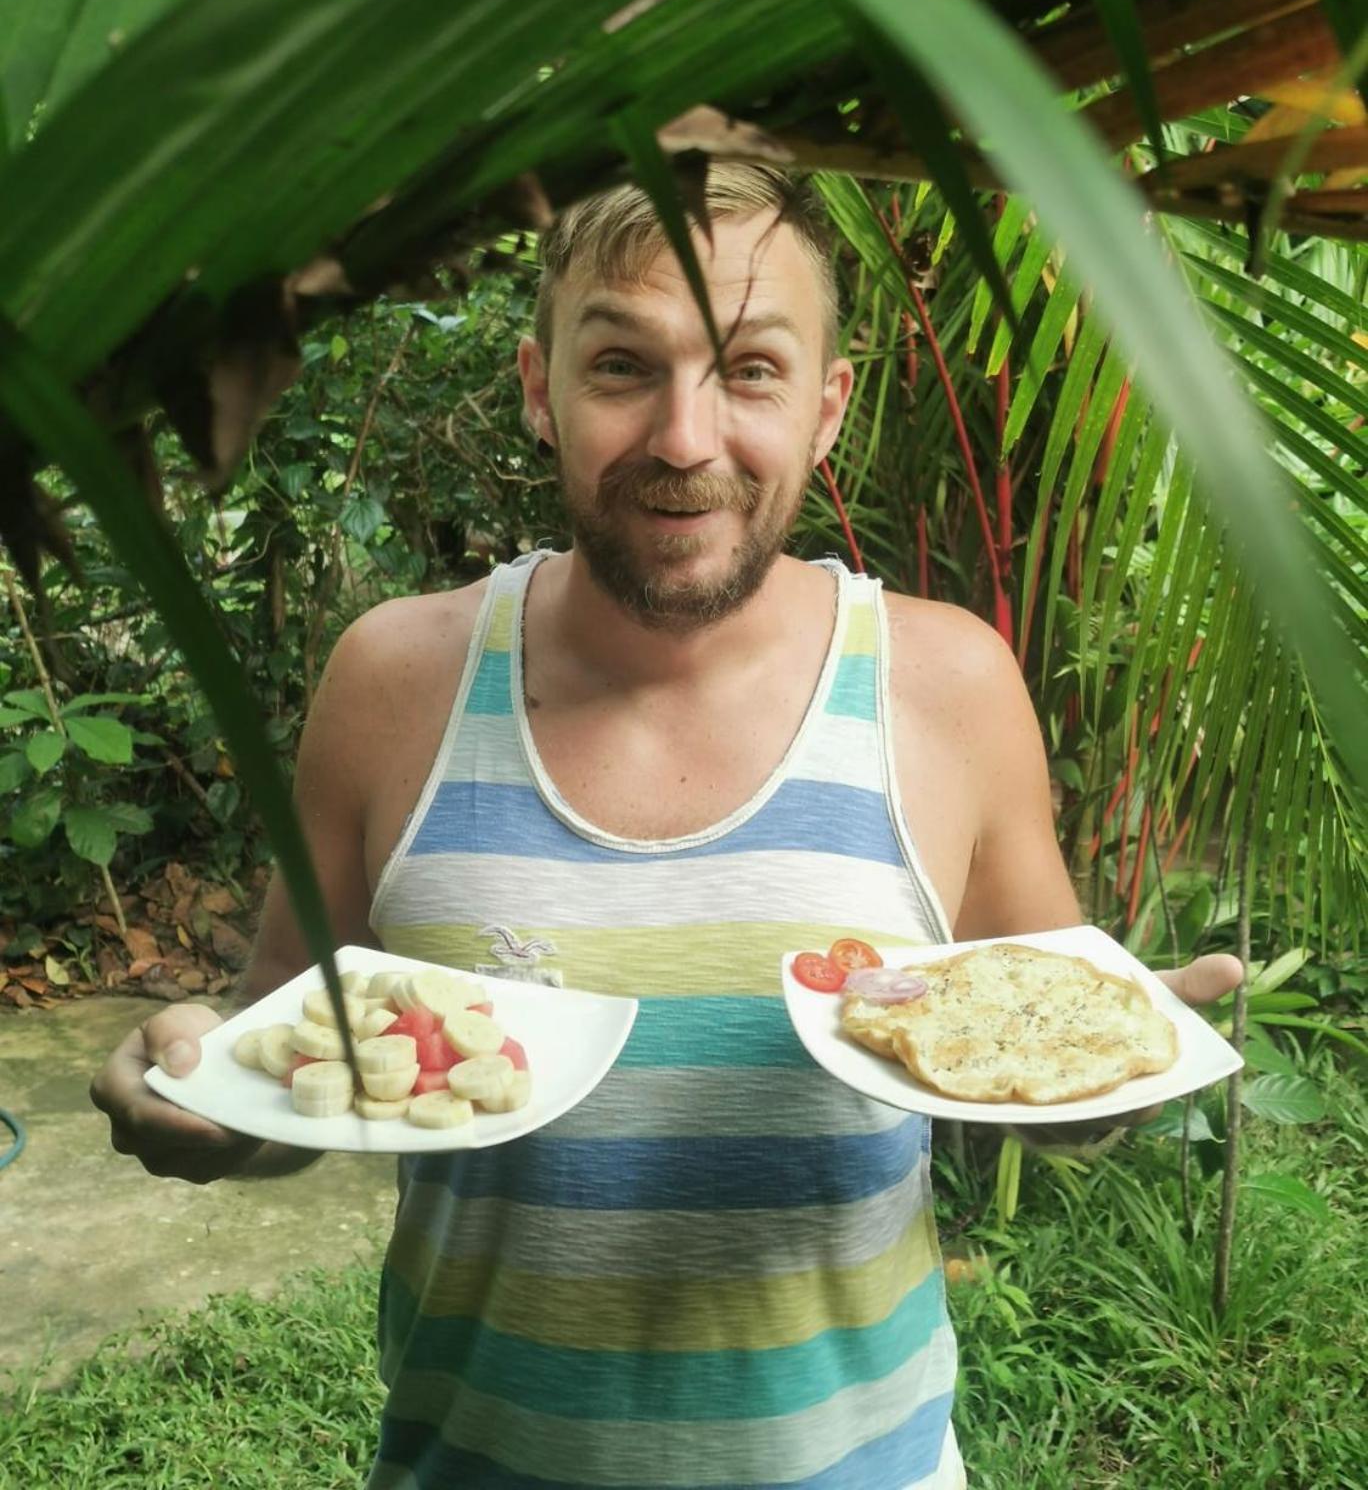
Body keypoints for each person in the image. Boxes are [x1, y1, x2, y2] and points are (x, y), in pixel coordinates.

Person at [92, 165, 1242, 1490]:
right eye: (624, 365)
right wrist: (201, 1097)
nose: (685, 438)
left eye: (750, 369)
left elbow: (1049, 1054)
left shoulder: (945, 688)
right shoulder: (396, 685)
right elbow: (297, 1071)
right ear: (541, 389)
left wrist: (1122, 1076)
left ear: (828, 406)